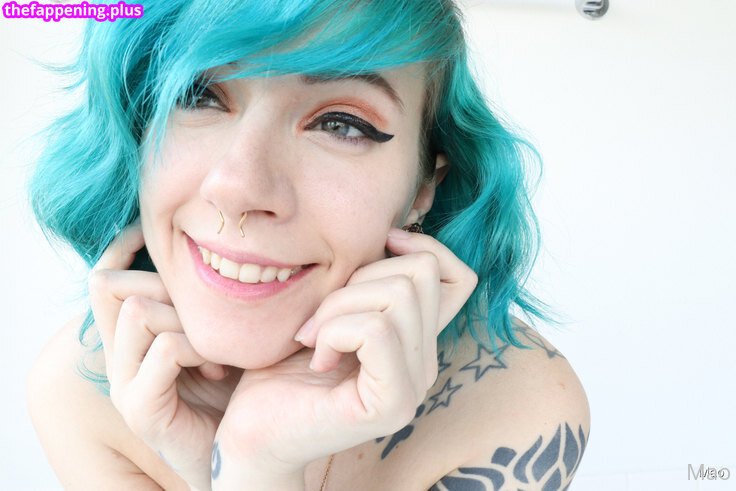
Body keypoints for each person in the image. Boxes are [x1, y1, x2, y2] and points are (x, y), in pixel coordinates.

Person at [26, 0, 590, 489]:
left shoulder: (512, 403)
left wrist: (257, 465)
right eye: (199, 96)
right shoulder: (80, 394)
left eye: (341, 124)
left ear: (424, 186)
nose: (237, 187)